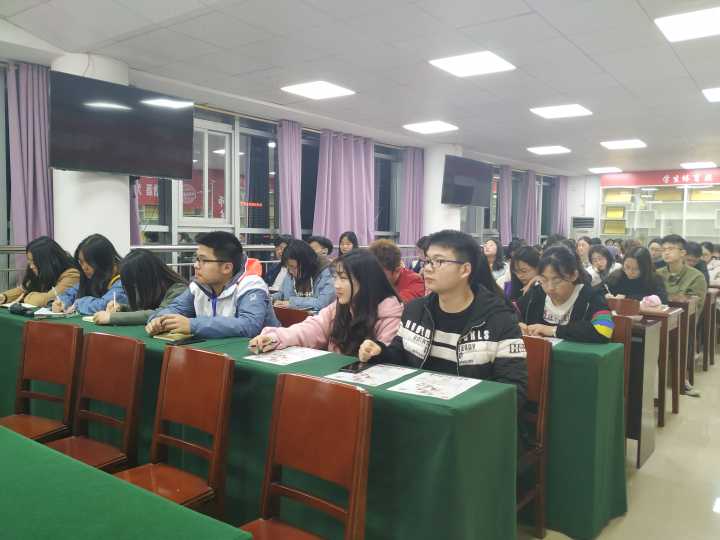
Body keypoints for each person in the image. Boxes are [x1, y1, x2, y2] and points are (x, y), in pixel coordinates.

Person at [357, 229, 528, 411]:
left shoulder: (499, 319)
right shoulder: (416, 310)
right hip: (418, 408)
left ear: (464, 269)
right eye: (427, 261)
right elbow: (400, 356)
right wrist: (380, 352)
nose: (427, 268)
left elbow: (513, 391)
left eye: (438, 261)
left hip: (468, 415)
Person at [250, 249, 403, 355]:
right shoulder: (340, 307)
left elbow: (386, 358)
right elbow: (311, 328)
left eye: (343, 278)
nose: (336, 285)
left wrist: (374, 352)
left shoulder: (389, 313)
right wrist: (276, 337)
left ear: (365, 281)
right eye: (336, 277)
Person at [146, 231, 277, 339]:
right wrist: (159, 320)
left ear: (226, 268)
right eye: (197, 259)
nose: (196, 265)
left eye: (203, 260)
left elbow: (249, 326)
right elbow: (174, 309)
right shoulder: (198, 286)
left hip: (262, 355)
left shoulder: (251, 284)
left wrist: (192, 325)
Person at [517, 245, 614, 343]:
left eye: (557, 280)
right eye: (544, 280)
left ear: (574, 275)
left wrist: (553, 330)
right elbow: (513, 312)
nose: (550, 288)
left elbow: (604, 330)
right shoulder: (535, 295)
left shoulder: (591, 297)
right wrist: (517, 325)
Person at [657, 234, 707, 397]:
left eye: (671, 249)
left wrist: (669, 299)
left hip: (683, 321)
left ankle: (682, 377)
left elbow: (694, 305)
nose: (666, 252)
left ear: (683, 253)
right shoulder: (657, 273)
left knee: (683, 331)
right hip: (659, 318)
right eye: (664, 249)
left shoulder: (696, 276)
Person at [92, 249, 188, 325]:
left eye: (135, 285)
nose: (135, 290)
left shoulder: (179, 290)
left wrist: (111, 318)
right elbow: (142, 309)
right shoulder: (155, 290)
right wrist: (121, 308)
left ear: (147, 279)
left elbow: (157, 314)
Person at [53, 234, 127, 315]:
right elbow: (70, 293)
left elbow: (105, 305)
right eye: (81, 262)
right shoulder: (91, 275)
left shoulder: (123, 279)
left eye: (89, 262)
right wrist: (62, 303)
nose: (84, 267)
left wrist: (78, 304)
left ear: (103, 261)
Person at [0, 236, 79, 307]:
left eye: (34, 262)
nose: (31, 266)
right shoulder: (41, 271)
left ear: (47, 262)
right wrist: (4, 296)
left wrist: (26, 296)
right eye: (29, 261)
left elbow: (48, 300)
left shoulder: (72, 275)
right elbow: (24, 289)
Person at [272, 239, 335, 311]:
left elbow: (322, 303)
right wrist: (270, 299)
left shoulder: (327, 272)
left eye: (293, 267)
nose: (290, 271)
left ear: (305, 264)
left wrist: (292, 303)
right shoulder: (291, 271)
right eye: (288, 267)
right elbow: (282, 294)